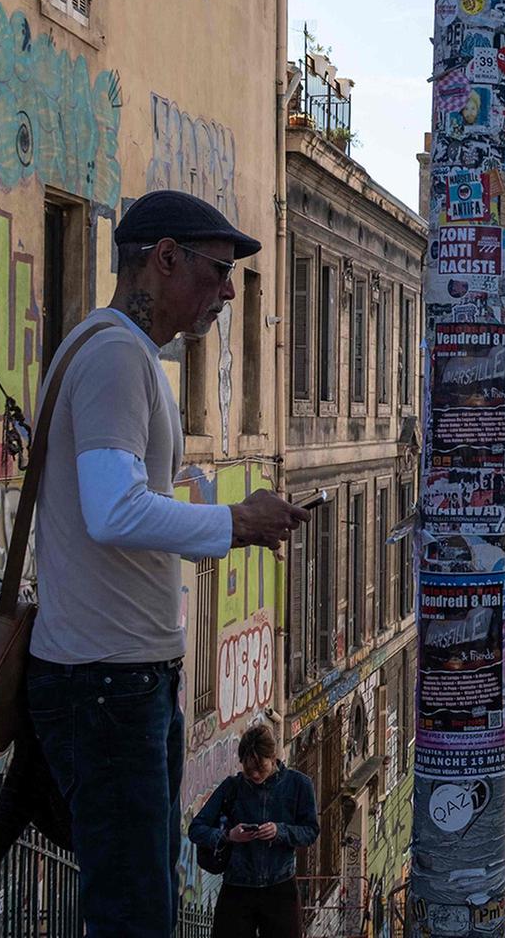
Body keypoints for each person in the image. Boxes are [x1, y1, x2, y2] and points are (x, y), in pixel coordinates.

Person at [27, 191, 310, 936]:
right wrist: (232, 520)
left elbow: (124, 497)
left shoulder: (114, 350)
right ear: (164, 258)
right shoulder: (118, 356)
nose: (226, 291)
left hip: (119, 680)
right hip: (106, 686)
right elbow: (112, 510)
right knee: (135, 912)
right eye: (217, 271)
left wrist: (217, 506)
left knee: (137, 891)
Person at [190, 723, 320, 938]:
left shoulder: (299, 785)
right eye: (249, 771)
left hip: (280, 887)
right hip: (237, 887)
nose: (255, 775)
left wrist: (280, 831)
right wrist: (228, 836)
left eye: (261, 769)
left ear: (274, 758)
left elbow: (311, 831)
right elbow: (196, 829)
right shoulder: (232, 787)